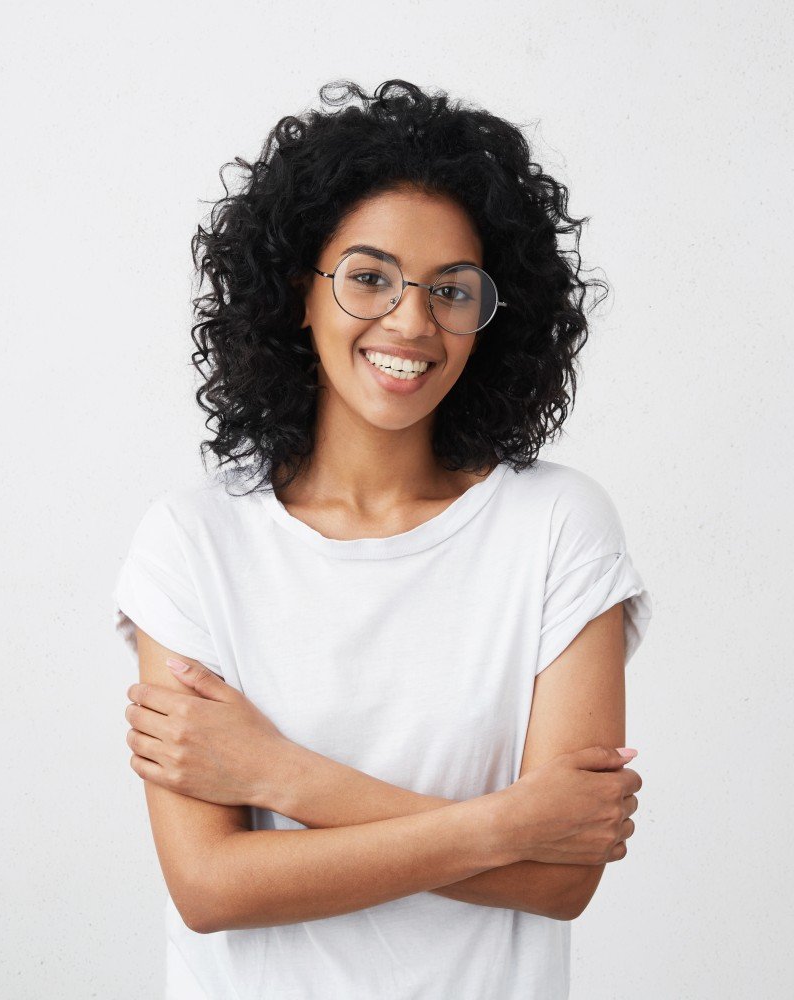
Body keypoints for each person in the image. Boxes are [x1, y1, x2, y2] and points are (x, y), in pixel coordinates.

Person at [113, 78, 653, 1000]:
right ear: (300, 291)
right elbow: (210, 887)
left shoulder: (557, 526)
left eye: (452, 290)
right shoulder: (191, 543)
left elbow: (564, 880)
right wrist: (509, 825)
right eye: (371, 277)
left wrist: (279, 775)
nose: (411, 321)